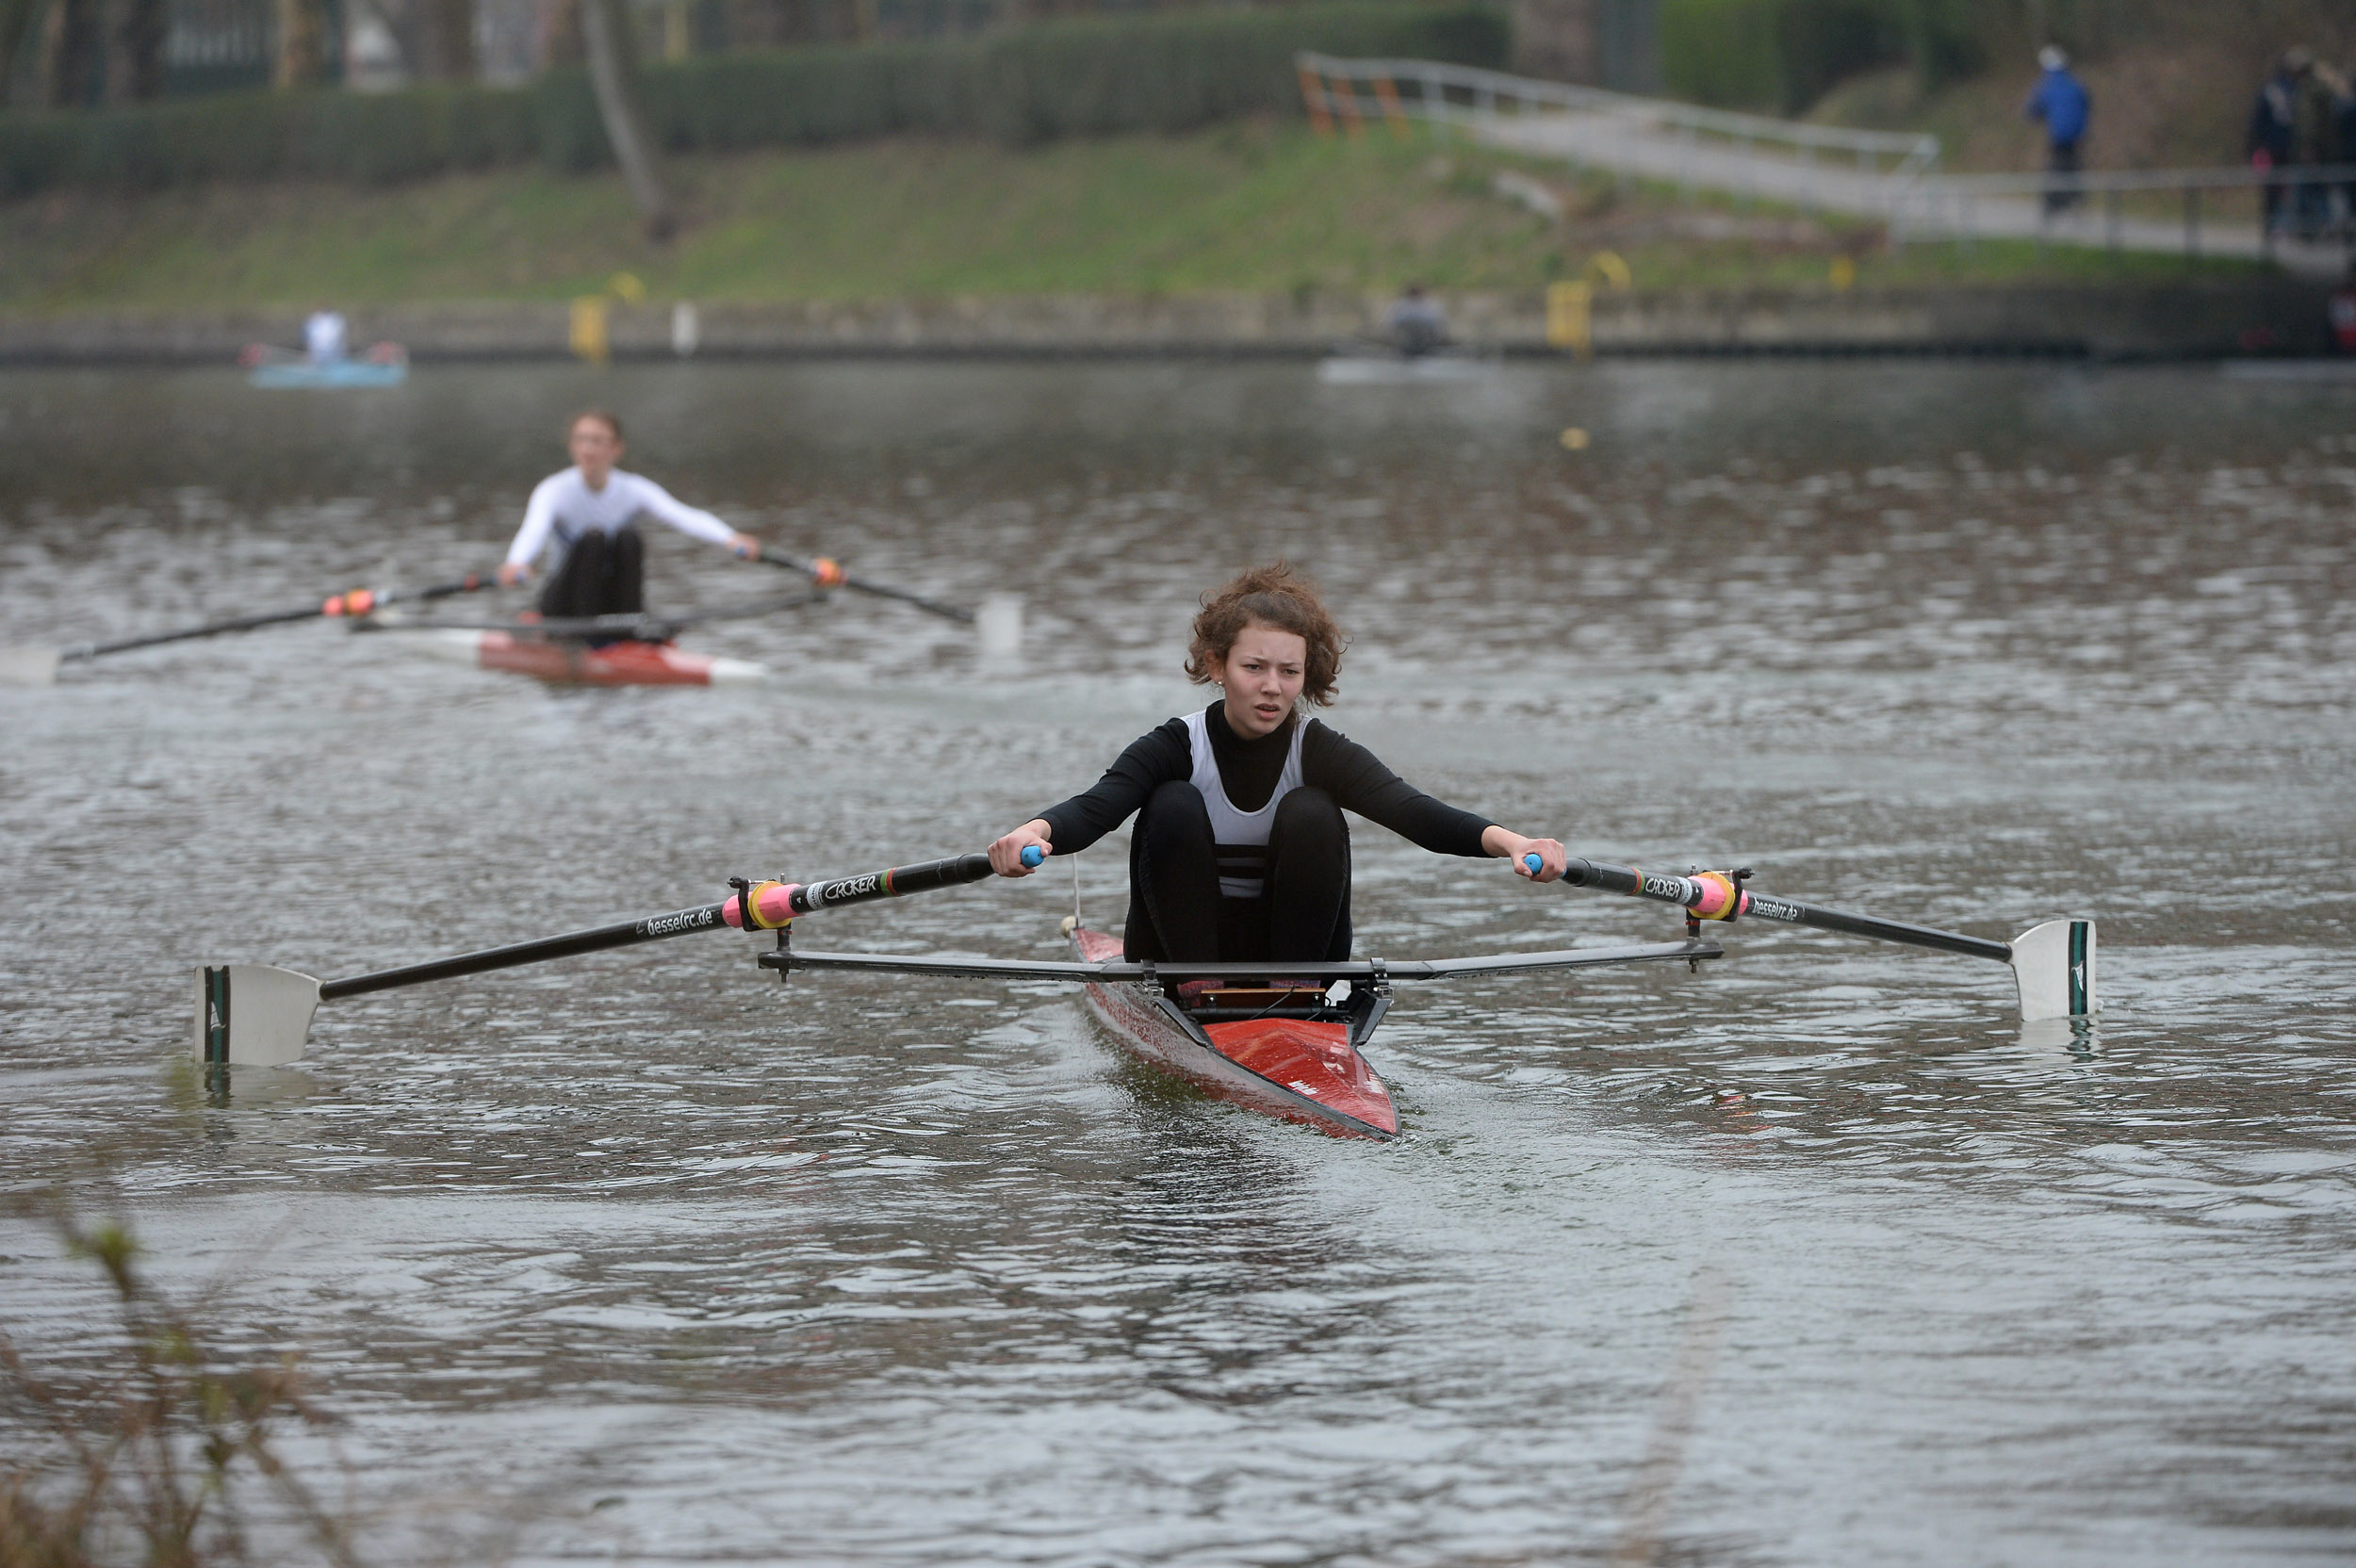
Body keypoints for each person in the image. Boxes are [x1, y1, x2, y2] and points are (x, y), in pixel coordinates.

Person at [986, 564, 1566, 964]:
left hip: (1293, 954)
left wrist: (1514, 844)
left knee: (1314, 809)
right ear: (1217, 666)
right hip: (1177, 958)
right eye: (1254, 668)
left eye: (1289, 673)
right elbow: (1098, 807)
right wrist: (1033, 832)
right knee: (1171, 802)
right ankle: (1198, 987)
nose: (1272, 688)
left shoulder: (1317, 749)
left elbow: (1413, 811)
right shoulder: (1175, 745)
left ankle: (1294, 991)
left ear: (1305, 677)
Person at [498, 410, 760, 628]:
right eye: (581, 439)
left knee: (629, 538)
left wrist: (731, 538)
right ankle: (584, 634)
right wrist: (517, 562)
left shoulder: (633, 489)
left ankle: (629, 623)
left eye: (597, 441)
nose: (588, 448)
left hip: (613, 604)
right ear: (571, 446)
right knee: (594, 538)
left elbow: (684, 516)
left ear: (616, 448)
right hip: (564, 606)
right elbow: (534, 530)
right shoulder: (553, 490)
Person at [2022, 46, 2090, 217]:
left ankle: (2052, 206)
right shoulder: (2075, 83)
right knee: (2073, 165)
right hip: (2078, 135)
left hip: (2058, 136)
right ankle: (2076, 201)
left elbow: (2032, 111)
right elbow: (2087, 103)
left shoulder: (2046, 85)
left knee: (2054, 167)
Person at [2250, 49, 2306, 237]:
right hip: (2291, 147)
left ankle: (2272, 225)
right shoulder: (2295, 91)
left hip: (2271, 148)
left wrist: (2255, 146)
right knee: (2290, 187)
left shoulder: (2269, 90)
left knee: (2272, 189)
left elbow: (2258, 121)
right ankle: (2291, 226)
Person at [1387, 284, 1449, 357]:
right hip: (1418, 339)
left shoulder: (1400, 305)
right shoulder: (1431, 305)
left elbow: (1392, 324)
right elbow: (1441, 323)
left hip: (1420, 339)